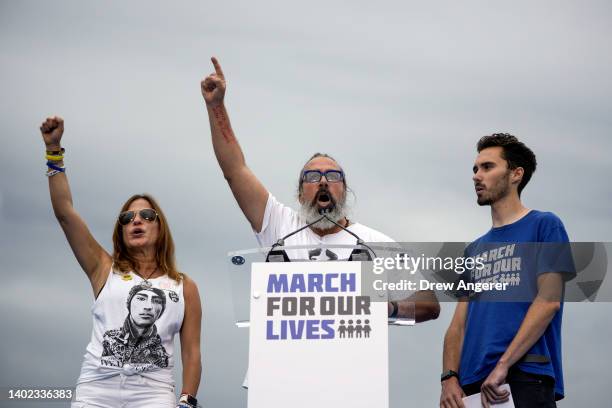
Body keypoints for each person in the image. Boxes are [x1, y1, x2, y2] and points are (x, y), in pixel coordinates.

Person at [200, 57, 440, 388]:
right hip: (279, 379)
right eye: (313, 176)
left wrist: (389, 309)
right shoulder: (277, 225)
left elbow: (429, 303)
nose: (323, 181)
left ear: (345, 189)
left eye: (333, 175)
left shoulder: (373, 243)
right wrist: (217, 107)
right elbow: (234, 170)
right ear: (301, 191)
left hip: (350, 380)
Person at [40, 116, 202, 408]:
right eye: (127, 218)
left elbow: (192, 353)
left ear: (160, 226)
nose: (136, 220)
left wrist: (187, 400)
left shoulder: (184, 286)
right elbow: (65, 213)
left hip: (153, 394)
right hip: (96, 391)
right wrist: (54, 151)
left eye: (146, 216)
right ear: (121, 230)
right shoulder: (103, 268)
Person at [439, 134, 575, 408]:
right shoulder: (473, 250)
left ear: (516, 174)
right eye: (475, 169)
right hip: (473, 385)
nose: (477, 176)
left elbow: (548, 302)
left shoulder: (545, 225)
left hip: (525, 375)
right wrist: (449, 379)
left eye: (487, 167)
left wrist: (503, 365)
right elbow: (458, 325)